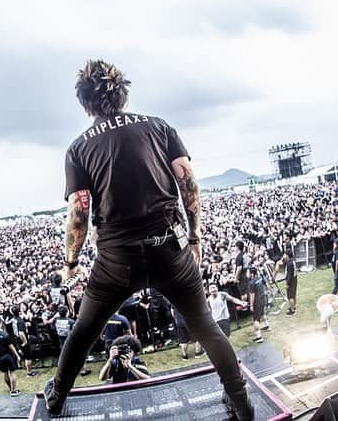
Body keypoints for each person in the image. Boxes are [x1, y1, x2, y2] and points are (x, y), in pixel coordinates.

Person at [44, 60, 254, 420]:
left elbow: (79, 212)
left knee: (84, 329)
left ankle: (57, 397)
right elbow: (189, 183)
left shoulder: (78, 148)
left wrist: (71, 263)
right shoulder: (159, 127)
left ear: (85, 103)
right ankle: (241, 403)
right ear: (123, 94)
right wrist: (194, 235)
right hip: (170, 248)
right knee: (204, 325)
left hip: (116, 259)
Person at [0, 316, 21, 397]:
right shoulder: (5, 334)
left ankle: (10, 388)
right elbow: (11, 346)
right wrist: (17, 355)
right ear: (0, 324)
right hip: (8, 356)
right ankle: (13, 391)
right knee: (12, 372)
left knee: (5, 373)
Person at [247, 268, 268, 343]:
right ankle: (267, 326)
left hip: (256, 302)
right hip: (262, 299)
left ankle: (259, 337)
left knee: (256, 320)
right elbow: (265, 285)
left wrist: (251, 305)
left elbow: (252, 295)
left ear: (251, 274)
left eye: (248, 273)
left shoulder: (251, 283)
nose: (247, 274)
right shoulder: (259, 278)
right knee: (262, 313)